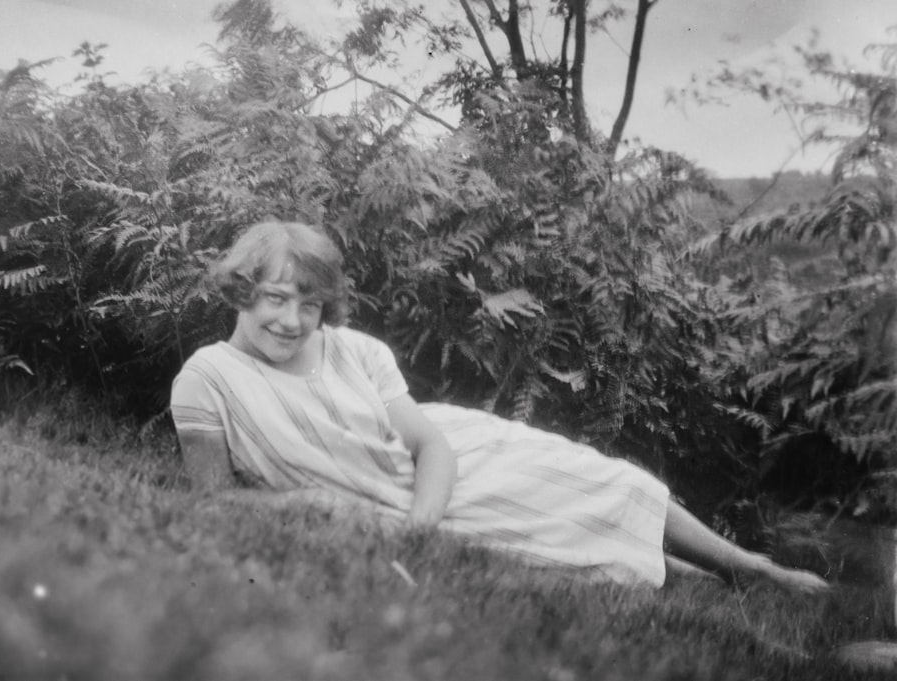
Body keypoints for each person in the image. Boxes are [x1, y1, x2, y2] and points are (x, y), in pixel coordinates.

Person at [170, 220, 829, 592]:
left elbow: (430, 446)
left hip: (443, 466)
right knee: (589, 570)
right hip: (373, 503)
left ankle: (752, 566)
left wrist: (418, 526)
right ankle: (715, 588)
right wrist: (303, 507)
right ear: (242, 292)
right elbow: (213, 499)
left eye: (308, 304)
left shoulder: (356, 350)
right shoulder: (209, 378)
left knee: (607, 482)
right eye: (276, 299)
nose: (291, 320)